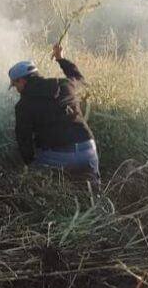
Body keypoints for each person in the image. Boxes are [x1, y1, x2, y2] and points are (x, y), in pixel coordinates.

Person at [8, 42, 99, 183]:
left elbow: (23, 139)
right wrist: (61, 59)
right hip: (87, 150)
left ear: (21, 81)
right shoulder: (65, 85)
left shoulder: (23, 105)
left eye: (15, 84)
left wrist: (30, 163)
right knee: (92, 193)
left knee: (38, 182)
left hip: (58, 157)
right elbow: (80, 80)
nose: (16, 89)